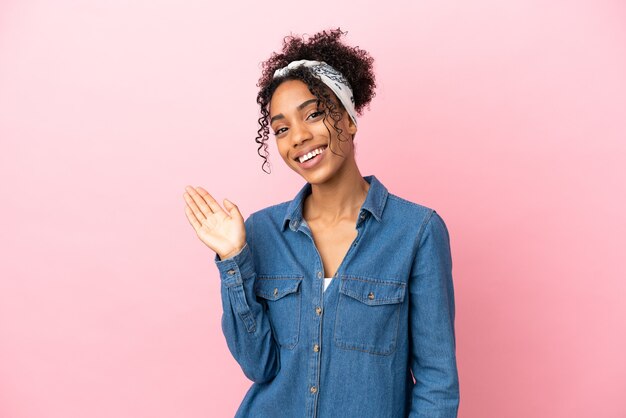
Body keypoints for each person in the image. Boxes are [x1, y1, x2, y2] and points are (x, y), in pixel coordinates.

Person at [183, 28, 459, 418]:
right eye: (281, 129)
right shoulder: (260, 233)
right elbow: (258, 365)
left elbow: (437, 381)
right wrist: (233, 260)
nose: (298, 136)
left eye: (314, 114)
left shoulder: (417, 232)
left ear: (349, 119)